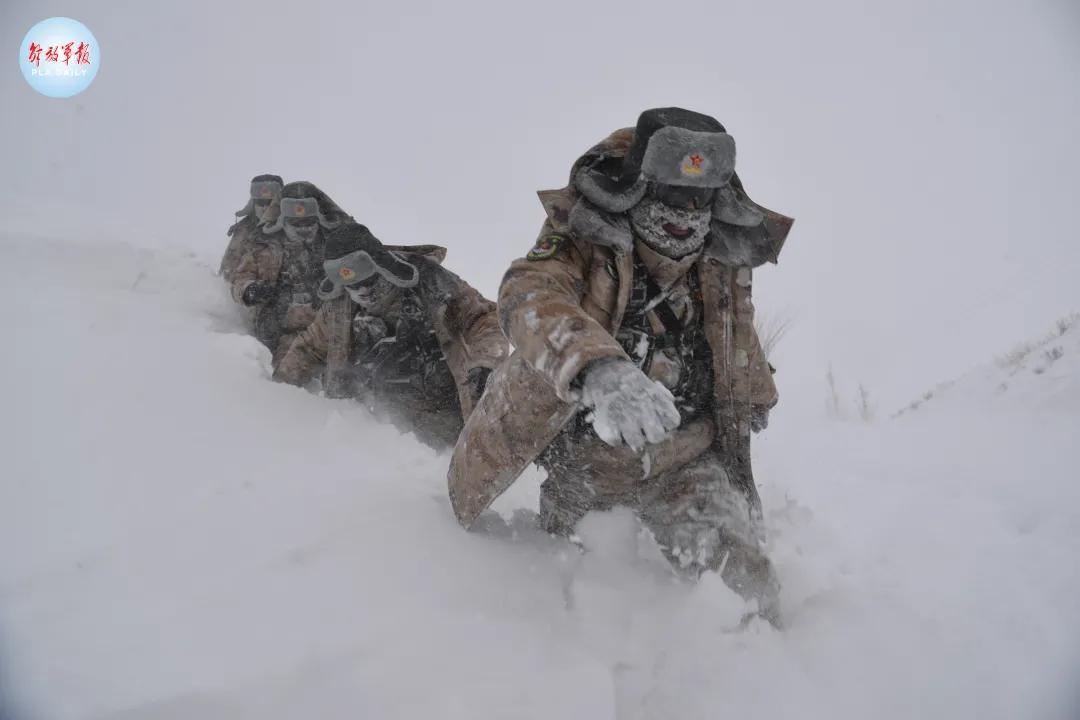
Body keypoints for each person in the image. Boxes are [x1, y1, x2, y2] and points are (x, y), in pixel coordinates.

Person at [448, 108, 794, 624]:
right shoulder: (580, 235)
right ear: (637, 189)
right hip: (585, 467)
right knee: (572, 607)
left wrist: (753, 397)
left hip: (687, 462)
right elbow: (528, 293)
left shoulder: (724, 253)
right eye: (671, 194)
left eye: (699, 198)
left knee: (746, 592)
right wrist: (598, 369)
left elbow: (734, 332)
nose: (685, 212)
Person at [274, 222, 508, 451]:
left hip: (443, 416)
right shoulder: (338, 307)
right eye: (352, 287)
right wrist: (274, 398)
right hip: (372, 432)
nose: (362, 292)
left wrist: (485, 364)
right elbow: (308, 348)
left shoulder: (431, 283)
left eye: (368, 282)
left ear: (383, 266)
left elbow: (484, 319)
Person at [231, 181, 349, 362]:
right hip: (285, 334)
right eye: (296, 224)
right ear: (283, 221)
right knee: (284, 384)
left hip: (332, 329)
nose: (303, 229)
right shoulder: (264, 245)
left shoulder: (337, 241)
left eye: (309, 223)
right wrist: (250, 290)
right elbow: (239, 278)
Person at [219, 174, 284, 281]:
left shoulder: (290, 225)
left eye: (270, 190)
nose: (264, 196)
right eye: (259, 191)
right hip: (248, 288)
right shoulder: (245, 228)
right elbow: (228, 268)